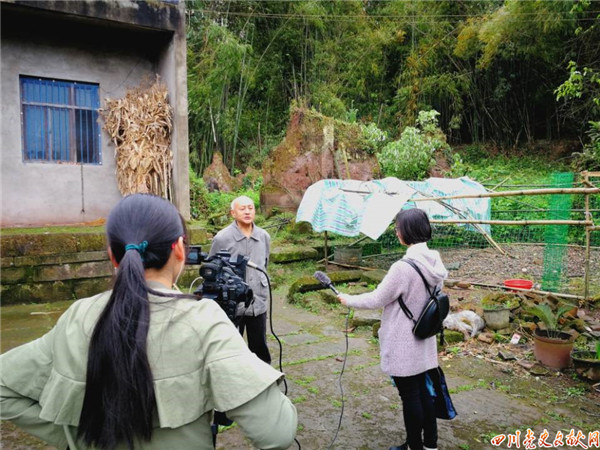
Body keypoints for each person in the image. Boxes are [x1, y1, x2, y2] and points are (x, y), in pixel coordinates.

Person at [0, 194, 297, 450]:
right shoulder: (203, 320)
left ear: (112, 257)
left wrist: (70, 435)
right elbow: (278, 433)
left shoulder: (77, 317)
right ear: (180, 250)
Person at [337, 208, 448, 450]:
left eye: (397, 228)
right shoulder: (435, 260)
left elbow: (378, 298)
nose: (397, 232)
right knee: (424, 392)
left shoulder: (403, 267)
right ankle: (430, 444)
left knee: (410, 396)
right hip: (425, 337)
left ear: (405, 232)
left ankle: (414, 446)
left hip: (403, 340)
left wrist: (349, 300)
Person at [209, 195, 272, 364]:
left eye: (250, 208)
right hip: (232, 301)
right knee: (231, 346)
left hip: (257, 300)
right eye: (242, 208)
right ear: (233, 213)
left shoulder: (264, 236)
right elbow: (212, 269)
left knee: (259, 346)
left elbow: (265, 262)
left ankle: (264, 380)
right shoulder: (222, 238)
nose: (247, 212)